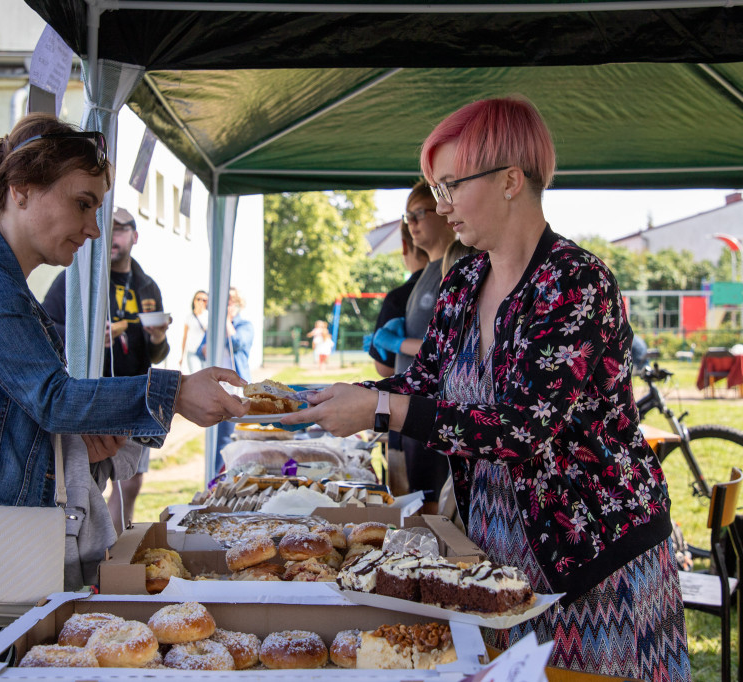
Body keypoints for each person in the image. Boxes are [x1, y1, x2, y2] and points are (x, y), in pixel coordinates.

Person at [283, 97, 689, 680]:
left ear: (510, 180)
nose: (441, 206)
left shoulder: (575, 282)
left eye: (449, 185)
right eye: (436, 189)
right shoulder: (464, 280)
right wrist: (330, 397)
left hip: (595, 559)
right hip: (499, 556)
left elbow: (523, 426)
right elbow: (424, 385)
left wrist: (380, 407)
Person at [0, 113, 247, 682]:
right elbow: (50, 397)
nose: (92, 227)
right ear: (21, 188)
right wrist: (175, 391)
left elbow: (18, 420)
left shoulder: (5, 288)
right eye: (83, 203)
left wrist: (82, 444)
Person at [42, 206, 170, 531]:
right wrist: (85, 341)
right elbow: (43, 329)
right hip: (91, 399)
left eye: (121, 228)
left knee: (131, 481)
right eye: (108, 228)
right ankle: (99, 554)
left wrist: (157, 339)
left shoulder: (147, 287)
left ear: (135, 236)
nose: (113, 236)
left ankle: (119, 542)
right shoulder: (77, 280)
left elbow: (157, 354)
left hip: (136, 398)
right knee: (87, 483)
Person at [371, 180, 456, 514]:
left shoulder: (454, 268)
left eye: (420, 213)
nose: (412, 224)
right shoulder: (429, 272)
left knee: (429, 518)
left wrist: (400, 343)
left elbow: (455, 352)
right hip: (412, 410)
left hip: (434, 415)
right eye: (408, 217)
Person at [199, 287, 254, 473]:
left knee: (228, 434)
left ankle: (221, 473)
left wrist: (226, 321)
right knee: (216, 433)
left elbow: (237, 344)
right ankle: (216, 475)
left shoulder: (244, 325)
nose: (226, 305)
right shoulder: (213, 327)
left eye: (229, 302)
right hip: (215, 386)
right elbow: (201, 349)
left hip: (236, 388)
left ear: (237, 304)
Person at [369, 217, 429, 378]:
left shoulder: (398, 297)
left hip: (414, 394)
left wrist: (397, 344)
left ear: (404, 246)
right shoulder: (462, 281)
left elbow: (385, 368)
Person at [181, 290, 208, 373]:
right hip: (192, 352)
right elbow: (185, 337)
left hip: (205, 353)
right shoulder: (189, 317)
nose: (201, 302)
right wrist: (182, 356)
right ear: (194, 301)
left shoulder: (209, 316)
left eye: (204, 300)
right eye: (198, 299)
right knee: (196, 375)